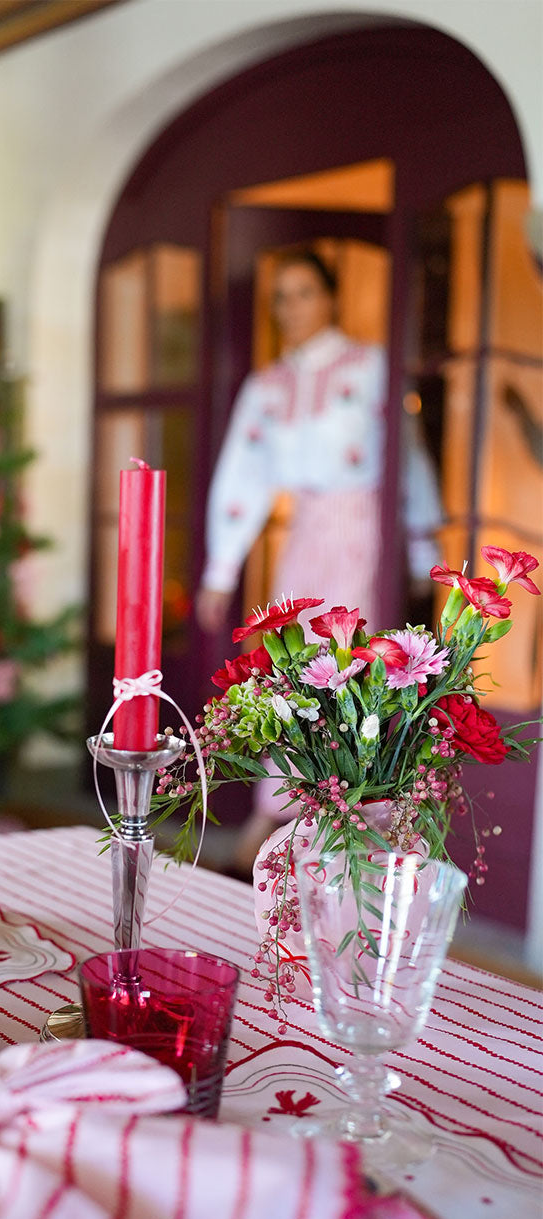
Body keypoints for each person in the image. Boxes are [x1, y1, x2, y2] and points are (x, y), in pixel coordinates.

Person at [196, 250, 442, 870]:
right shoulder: (268, 385)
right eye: (281, 296)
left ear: (331, 297)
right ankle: (276, 813)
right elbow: (242, 475)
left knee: (356, 671)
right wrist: (220, 569)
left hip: (364, 534)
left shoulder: (371, 367)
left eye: (304, 292)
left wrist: (421, 546)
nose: (291, 307)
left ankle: (347, 818)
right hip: (305, 538)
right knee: (294, 672)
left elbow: (407, 458)